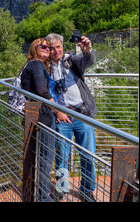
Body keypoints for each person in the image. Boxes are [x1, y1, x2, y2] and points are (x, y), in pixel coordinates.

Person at [45, 33, 97, 202]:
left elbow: (87, 60)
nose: (56, 51)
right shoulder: (45, 66)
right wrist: (56, 111)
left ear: (62, 46)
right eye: (52, 48)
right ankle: (61, 188)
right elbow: (42, 90)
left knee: (88, 154)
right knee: (61, 155)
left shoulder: (71, 60)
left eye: (58, 47)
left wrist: (87, 49)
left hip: (81, 114)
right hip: (62, 116)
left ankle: (87, 190)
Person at [20, 38, 70, 202]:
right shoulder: (36, 64)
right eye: (43, 46)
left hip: (35, 116)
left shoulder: (31, 65)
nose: (47, 49)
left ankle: (37, 194)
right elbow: (42, 91)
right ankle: (42, 197)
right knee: (46, 158)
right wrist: (58, 111)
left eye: (49, 47)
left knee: (40, 157)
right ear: (34, 48)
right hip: (42, 117)